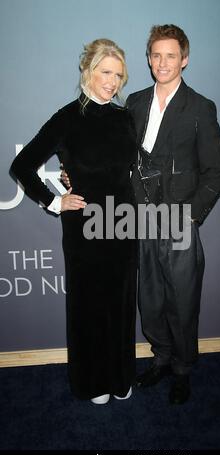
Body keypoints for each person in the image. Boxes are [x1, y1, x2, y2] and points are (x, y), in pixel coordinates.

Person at [10, 39, 137, 405]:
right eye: (105, 73)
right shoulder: (66, 118)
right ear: (88, 71)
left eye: (118, 75)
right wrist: (55, 201)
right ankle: (94, 381)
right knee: (89, 306)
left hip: (123, 223)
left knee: (122, 302)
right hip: (84, 227)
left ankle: (120, 374)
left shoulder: (124, 116)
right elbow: (21, 166)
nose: (112, 82)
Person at [126, 24, 220, 404]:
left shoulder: (200, 107)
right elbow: (123, 159)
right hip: (141, 219)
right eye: (156, 55)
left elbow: (217, 169)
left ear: (184, 59)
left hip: (180, 222)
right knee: (151, 298)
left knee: (182, 300)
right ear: (149, 59)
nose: (163, 62)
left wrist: (191, 215)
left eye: (171, 55)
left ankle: (183, 369)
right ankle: (161, 358)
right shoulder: (135, 103)